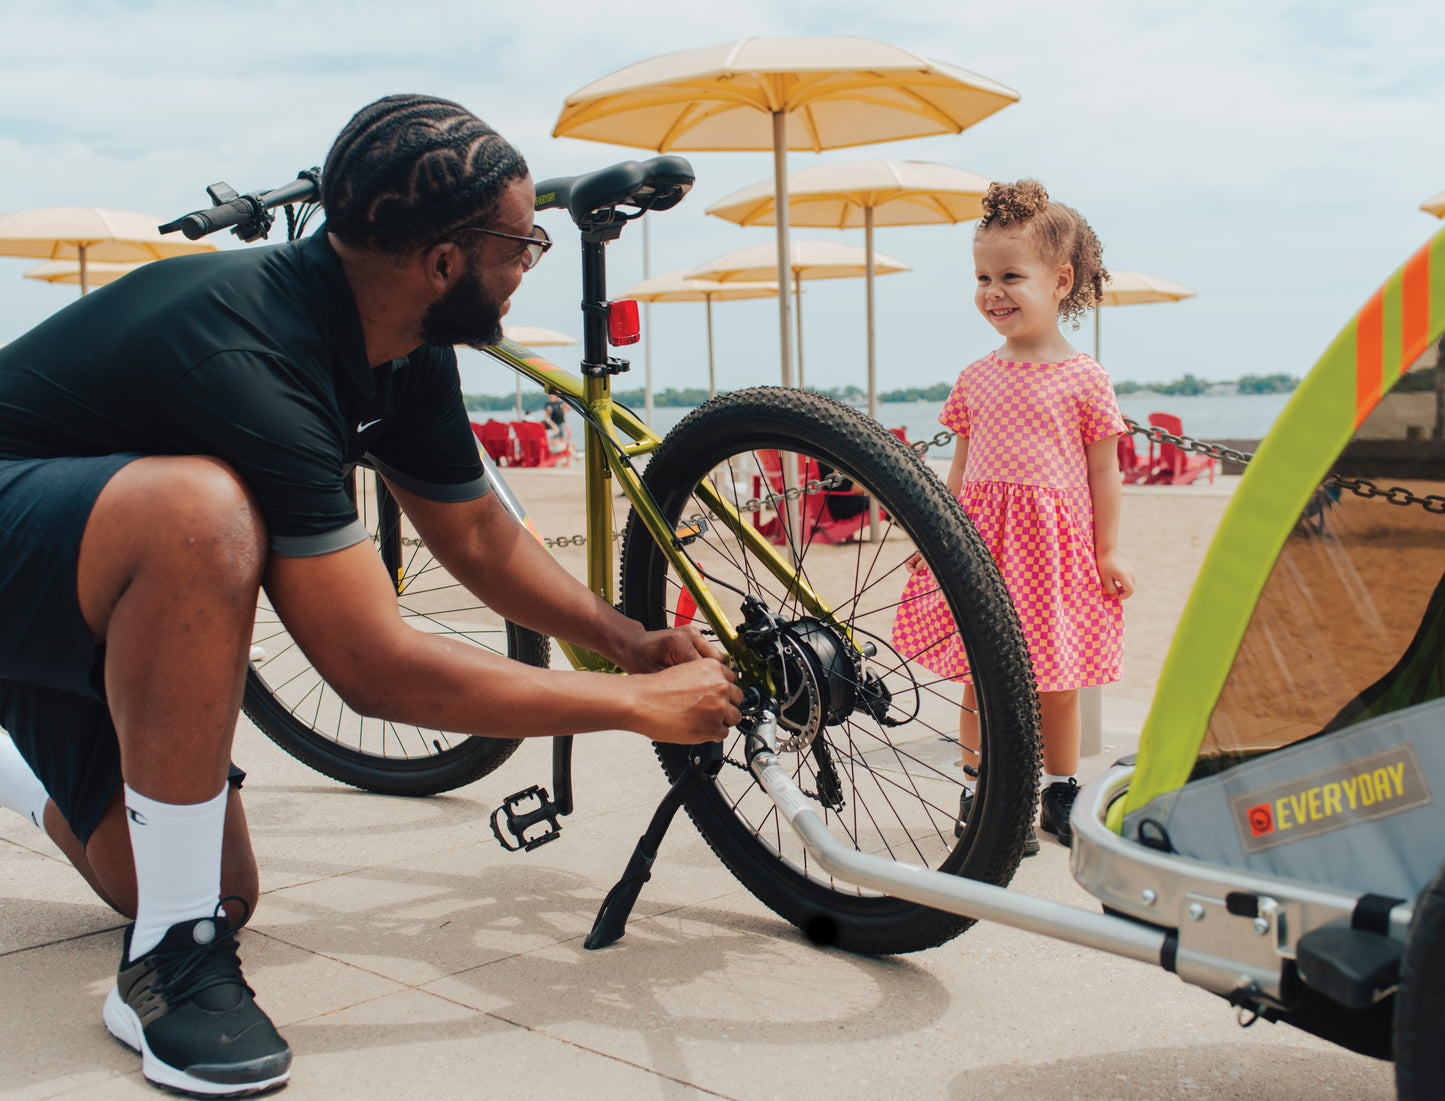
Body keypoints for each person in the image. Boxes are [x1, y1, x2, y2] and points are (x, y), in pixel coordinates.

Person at [0, 94, 741, 1097]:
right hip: (38, 544)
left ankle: (20, 761)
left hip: (84, 599)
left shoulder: (400, 344)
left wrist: (627, 644)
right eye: (524, 242)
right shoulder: (251, 352)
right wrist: (632, 708)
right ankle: (171, 964)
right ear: (444, 262)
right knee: (200, 513)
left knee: (219, 886)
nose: (531, 262)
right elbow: (370, 668)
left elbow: (476, 533)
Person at [892, 179, 1135, 856]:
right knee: (982, 674)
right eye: (981, 277)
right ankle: (983, 789)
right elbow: (961, 469)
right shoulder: (976, 376)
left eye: (1010, 276)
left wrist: (1107, 550)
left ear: (1059, 281)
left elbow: (1102, 471)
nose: (993, 291)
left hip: (1055, 556)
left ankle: (1057, 789)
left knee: (1056, 682)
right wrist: (934, 533)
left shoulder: (1085, 377)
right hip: (983, 546)